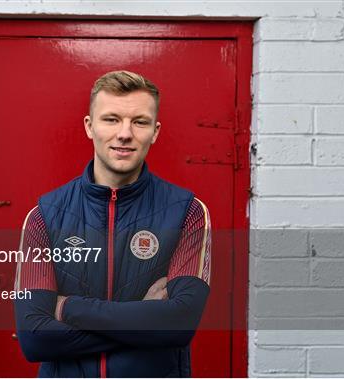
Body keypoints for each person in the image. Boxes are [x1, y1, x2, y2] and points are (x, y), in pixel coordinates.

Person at [14, 70, 211, 378]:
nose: (124, 133)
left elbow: (179, 324)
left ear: (155, 131)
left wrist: (67, 309)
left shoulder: (187, 213)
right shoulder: (44, 215)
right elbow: (34, 338)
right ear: (90, 127)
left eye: (140, 122)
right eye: (111, 119)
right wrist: (144, 324)